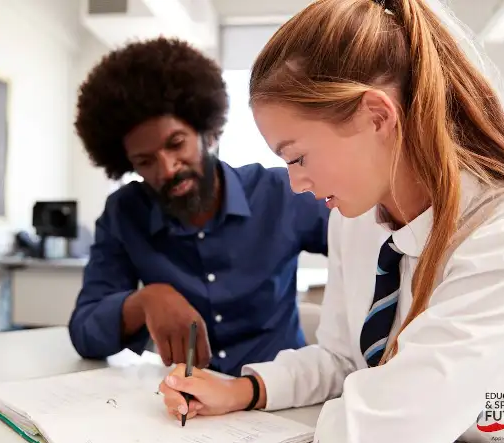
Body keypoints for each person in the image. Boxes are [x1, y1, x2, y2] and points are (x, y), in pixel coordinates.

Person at [158, 0, 504, 443]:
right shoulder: (354, 218)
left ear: (377, 116)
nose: (296, 184)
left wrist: (349, 420)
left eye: (297, 157)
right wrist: (246, 389)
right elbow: (345, 361)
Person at [69, 37, 330, 377]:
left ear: (208, 132)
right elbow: (85, 332)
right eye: (145, 161)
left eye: (176, 144)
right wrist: (147, 300)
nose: (167, 168)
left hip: (282, 398)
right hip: (186, 409)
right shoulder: (124, 214)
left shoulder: (280, 193)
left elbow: (371, 241)